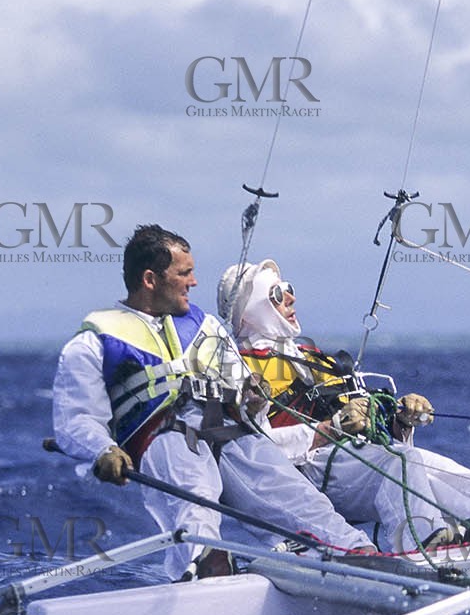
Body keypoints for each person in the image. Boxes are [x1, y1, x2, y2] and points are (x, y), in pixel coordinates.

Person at [52, 226, 375, 581]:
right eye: (184, 273)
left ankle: (354, 552)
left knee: (287, 488)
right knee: (195, 489)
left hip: (228, 428)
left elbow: (250, 402)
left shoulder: (206, 325)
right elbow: (75, 418)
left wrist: (254, 401)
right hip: (164, 436)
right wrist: (103, 450)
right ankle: (202, 565)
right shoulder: (96, 339)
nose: (194, 282)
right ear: (150, 279)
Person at [219, 259, 470, 552]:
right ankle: (422, 544)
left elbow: (363, 419)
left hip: (357, 455)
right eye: (277, 294)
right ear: (250, 312)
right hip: (314, 467)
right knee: (401, 462)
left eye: (288, 289)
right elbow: (253, 454)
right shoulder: (242, 372)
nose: (291, 298)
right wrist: (330, 428)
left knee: (455, 475)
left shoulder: (310, 357)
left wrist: (400, 421)